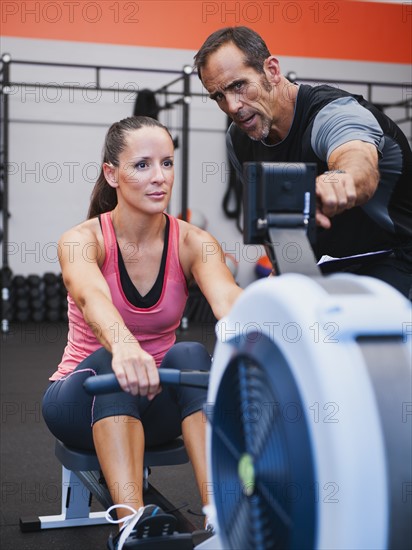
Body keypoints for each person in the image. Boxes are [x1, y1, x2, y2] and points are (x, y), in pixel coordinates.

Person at [42, 115, 242, 549]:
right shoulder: (81, 239)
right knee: (106, 366)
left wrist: (275, 323)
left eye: (167, 164)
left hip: (156, 402)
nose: (159, 178)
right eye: (142, 165)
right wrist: (125, 347)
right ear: (111, 173)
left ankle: (221, 518)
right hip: (80, 398)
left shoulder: (193, 241)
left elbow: (228, 300)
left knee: (191, 354)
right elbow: (92, 297)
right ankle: (130, 525)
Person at [194, 26, 412, 299]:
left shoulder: (332, 113)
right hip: (324, 270)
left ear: (272, 70)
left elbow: (359, 163)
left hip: (394, 261)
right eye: (219, 96)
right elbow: (278, 232)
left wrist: (339, 179)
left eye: (238, 86)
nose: (232, 106)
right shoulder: (239, 140)